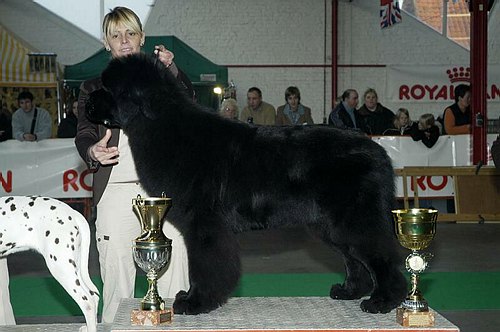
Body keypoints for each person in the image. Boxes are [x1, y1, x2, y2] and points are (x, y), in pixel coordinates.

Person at [75, 7, 190, 323]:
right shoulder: (92, 88)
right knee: (117, 278)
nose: (124, 41)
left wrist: (173, 70)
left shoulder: (161, 78)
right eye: (116, 35)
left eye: (130, 33)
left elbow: (188, 103)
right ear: (106, 43)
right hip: (115, 190)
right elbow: (84, 131)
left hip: (163, 190)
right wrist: (92, 150)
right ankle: (115, 327)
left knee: (176, 267)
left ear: (142, 39)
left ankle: (175, 327)